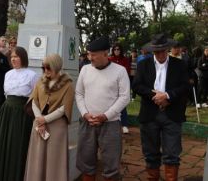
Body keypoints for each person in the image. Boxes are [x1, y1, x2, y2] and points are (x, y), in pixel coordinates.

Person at [133, 33, 189, 181]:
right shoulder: (143, 64)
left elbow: (185, 87)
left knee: (172, 154)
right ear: (152, 51)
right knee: (150, 153)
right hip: (150, 114)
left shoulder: (179, 65)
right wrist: (155, 96)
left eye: (163, 50)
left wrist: (168, 96)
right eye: (157, 51)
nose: (160, 54)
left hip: (172, 113)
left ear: (168, 49)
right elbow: (137, 85)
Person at [76, 37, 130, 181]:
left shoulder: (120, 71)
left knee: (111, 167)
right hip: (87, 123)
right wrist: (85, 114)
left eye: (93, 55)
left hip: (110, 124)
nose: (90, 58)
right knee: (86, 165)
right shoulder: (85, 70)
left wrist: (105, 116)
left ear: (106, 54)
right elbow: (79, 93)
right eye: (88, 54)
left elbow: (125, 97)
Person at [0, 47, 38, 181]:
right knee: (3, 144)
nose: (13, 59)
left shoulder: (33, 75)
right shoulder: (8, 74)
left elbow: (35, 97)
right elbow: (6, 94)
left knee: (17, 146)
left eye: (17, 56)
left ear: (23, 58)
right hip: (6, 112)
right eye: (12, 57)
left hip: (22, 113)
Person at [24, 54, 74, 181]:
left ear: (56, 67)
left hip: (56, 127)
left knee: (54, 159)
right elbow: (34, 101)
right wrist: (39, 118)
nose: (45, 71)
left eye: (48, 68)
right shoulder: (40, 81)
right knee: (37, 156)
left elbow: (64, 108)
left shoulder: (68, 85)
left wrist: (45, 119)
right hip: (39, 123)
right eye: (43, 68)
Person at [108, 43, 131, 134]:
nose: (116, 51)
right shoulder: (110, 59)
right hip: (112, 84)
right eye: (115, 49)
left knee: (122, 104)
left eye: (118, 49)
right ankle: (112, 124)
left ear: (121, 50)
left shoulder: (125, 60)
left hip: (122, 84)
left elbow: (127, 72)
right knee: (111, 103)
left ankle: (124, 125)